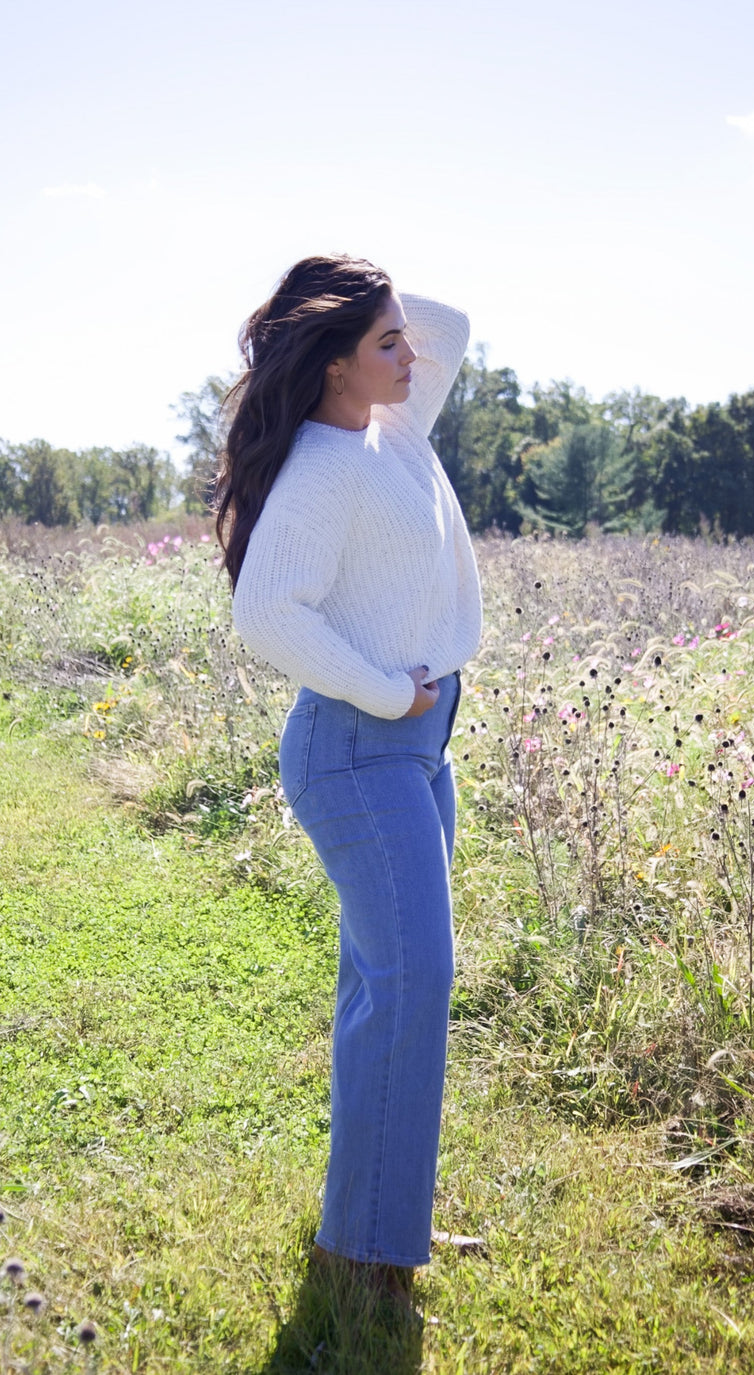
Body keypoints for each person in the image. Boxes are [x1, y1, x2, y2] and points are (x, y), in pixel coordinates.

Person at [215, 254, 482, 1309]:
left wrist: (357, 295)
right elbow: (267, 614)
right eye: (384, 341)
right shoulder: (326, 468)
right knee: (412, 982)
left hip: (414, 747)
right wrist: (383, 693)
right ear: (332, 367)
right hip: (361, 748)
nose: (410, 352)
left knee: (389, 985)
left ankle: (368, 1226)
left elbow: (450, 320)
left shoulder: (393, 430)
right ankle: (368, 1258)